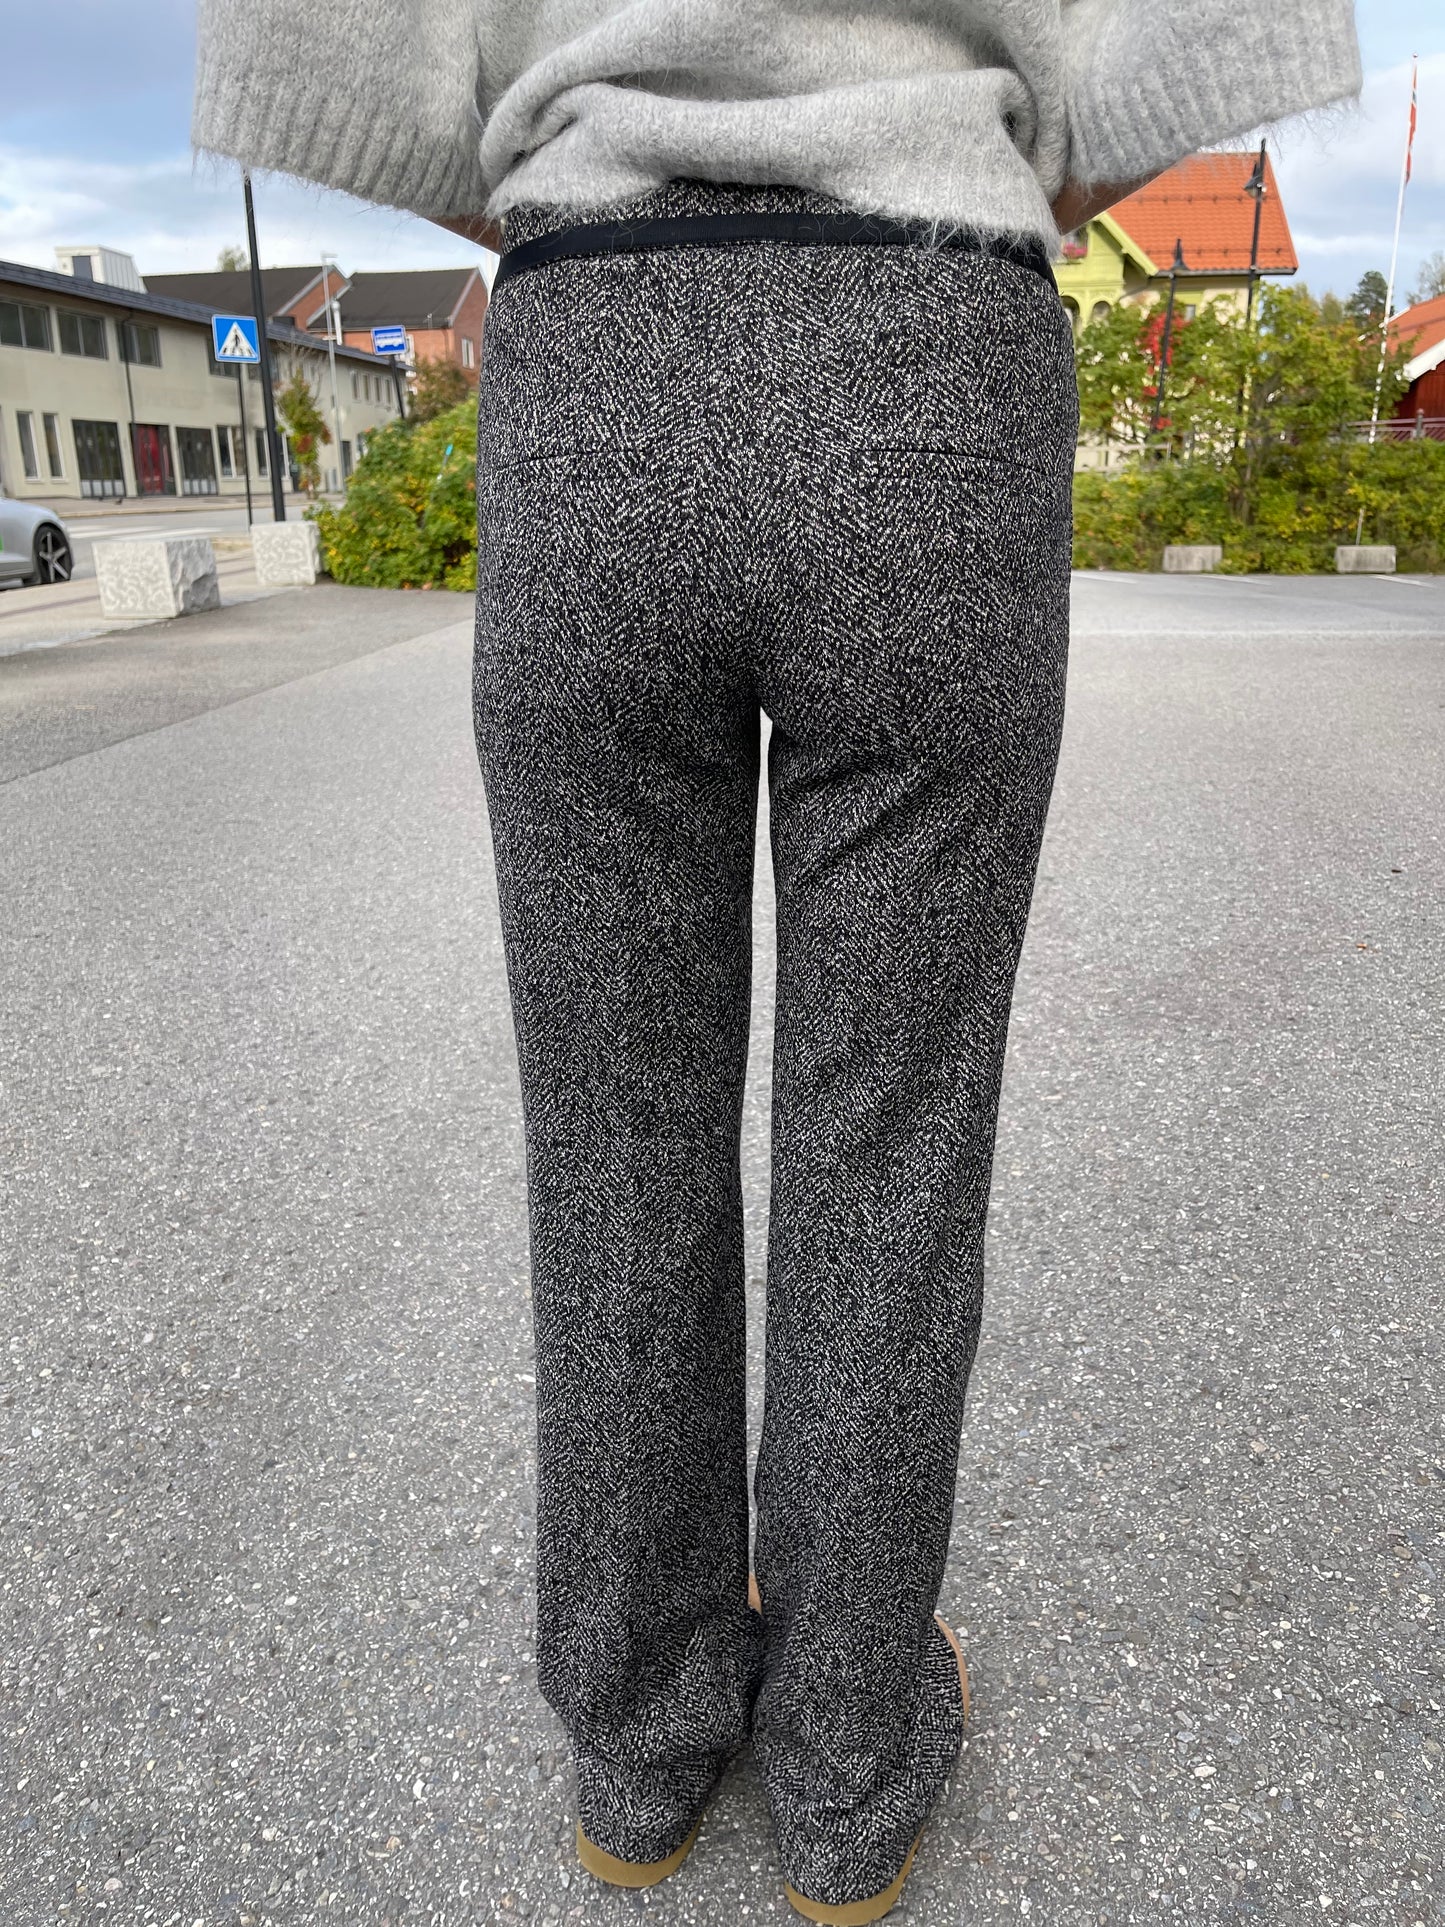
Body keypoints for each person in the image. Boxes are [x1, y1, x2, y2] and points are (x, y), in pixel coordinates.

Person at [193, 5, 1362, 1919]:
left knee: (611, 1128)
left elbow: (335, 61)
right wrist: (976, 154)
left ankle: (640, 1748)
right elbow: (1177, 53)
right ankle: (843, 1769)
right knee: (890, 1138)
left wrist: (579, 166)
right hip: (932, 345)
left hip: (598, 352)